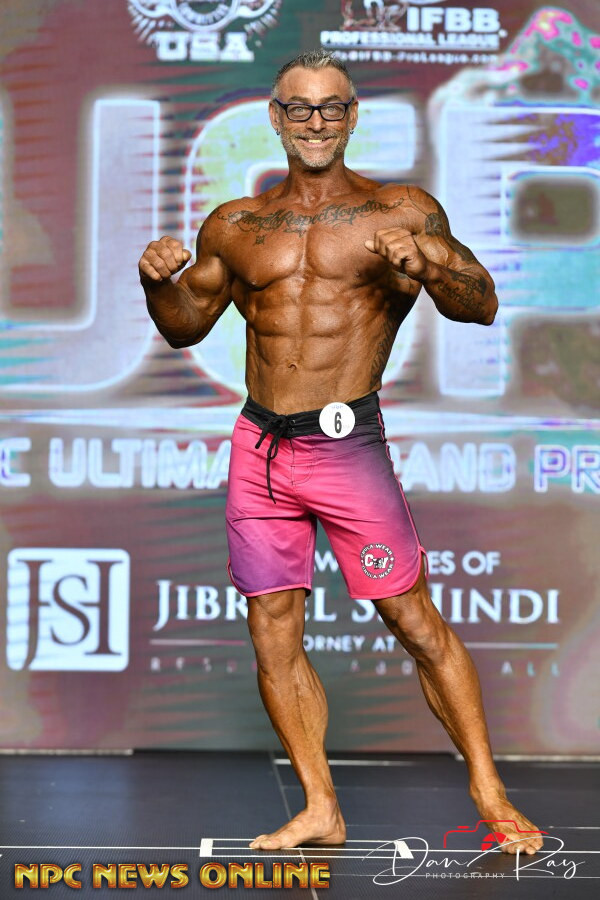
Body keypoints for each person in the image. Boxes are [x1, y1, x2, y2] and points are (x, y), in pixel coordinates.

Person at [139, 49, 543, 856]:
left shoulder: (401, 209)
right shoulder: (235, 225)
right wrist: (157, 285)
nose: (316, 122)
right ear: (277, 119)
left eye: (331, 107)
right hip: (260, 446)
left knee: (413, 620)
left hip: (345, 442)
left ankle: (491, 794)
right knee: (272, 631)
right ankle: (320, 805)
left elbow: (482, 304)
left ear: (353, 117)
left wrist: (431, 263)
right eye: (300, 108)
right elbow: (186, 325)